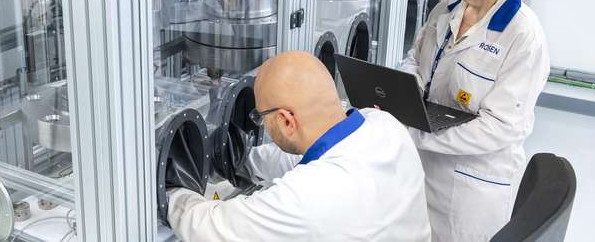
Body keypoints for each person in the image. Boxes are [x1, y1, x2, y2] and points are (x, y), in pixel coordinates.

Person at [166, 51, 431, 241]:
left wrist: (172, 191)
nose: (261, 124)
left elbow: (208, 226)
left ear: (286, 120)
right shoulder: (385, 125)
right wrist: (240, 163)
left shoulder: (305, 199)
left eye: (261, 117)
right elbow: (308, 161)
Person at [398, 0, 551, 240]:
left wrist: (418, 133)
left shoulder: (523, 36)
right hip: (418, 168)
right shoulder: (447, 8)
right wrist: (401, 96)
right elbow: (416, 61)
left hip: (469, 189)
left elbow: (501, 127)